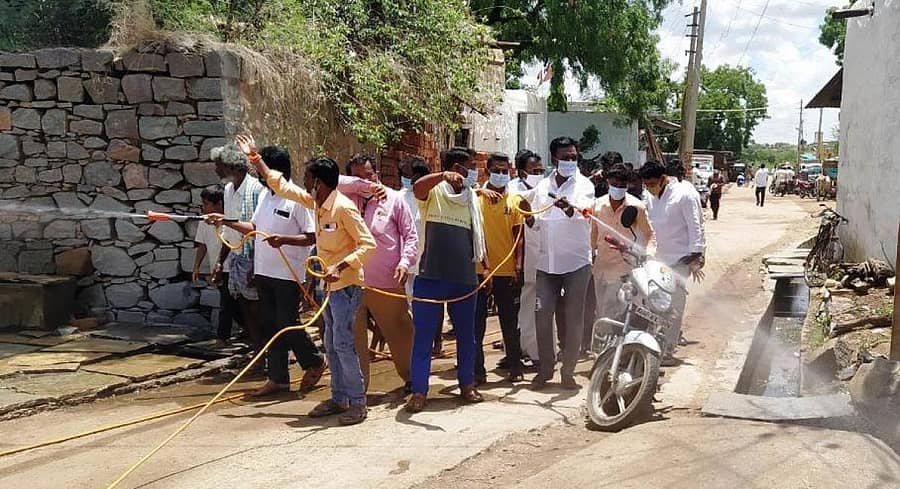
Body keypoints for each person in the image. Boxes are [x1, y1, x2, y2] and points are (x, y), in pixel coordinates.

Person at [244, 137, 376, 426]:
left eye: (307, 178)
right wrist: (256, 159)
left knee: (343, 344)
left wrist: (341, 266)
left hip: (346, 285)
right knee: (330, 343)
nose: (303, 183)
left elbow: (368, 244)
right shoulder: (316, 203)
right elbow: (282, 186)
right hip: (329, 286)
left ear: (318, 182)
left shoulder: (343, 208)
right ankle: (339, 397)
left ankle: (358, 402)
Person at [207, 146, 326, 397]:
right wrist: (225, 221)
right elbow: (253, 227)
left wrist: (282, 239)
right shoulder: (266, 196)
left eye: (263, 170)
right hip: (263, 271)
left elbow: (311, 237)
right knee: (269, 325)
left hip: (288, 273)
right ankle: (278, 379)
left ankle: (314, 361)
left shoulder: (297, 199)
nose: (259, 176)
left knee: (286, 323)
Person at [405, 147, 487, 412]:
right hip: (430, 275)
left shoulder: (472, 198)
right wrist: (442, 175)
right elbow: (417, 188)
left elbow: (478, 237)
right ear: (455, 167)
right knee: (423, 338)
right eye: (470, 166)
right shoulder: (434, 192)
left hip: (464, 277)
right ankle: (419, 391)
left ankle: (467, 384)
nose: (474, 171)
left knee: (467, 336)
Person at [345, 154, 418, 391]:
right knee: (353, 338)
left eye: (368, 176)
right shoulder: (344, 198)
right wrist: (358, 186)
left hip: (386, 278)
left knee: (400, 331)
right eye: (357, 178)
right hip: (351, 279)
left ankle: (413, 379)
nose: (365, 181)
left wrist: (405, 262)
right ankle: (357, 390)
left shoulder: (394, 199)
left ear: (376, 173)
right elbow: (330, 182)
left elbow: (410, 236)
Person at [530, 136, 595, 390]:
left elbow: (584, 214)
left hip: (576, 262)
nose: (570, 161)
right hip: (547, 263)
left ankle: (568, 371)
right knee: (542, 314)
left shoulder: (585, 185)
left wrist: (569, 209)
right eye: (565, 157)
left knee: (573, 317)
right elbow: (535, 221)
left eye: (573, 157)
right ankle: (546, 368)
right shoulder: (542, 186)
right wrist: (528, 218)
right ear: (553, 158)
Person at [640, 160, 706, 363]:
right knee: (654, 302)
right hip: (656, 258)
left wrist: (697, 253)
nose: (650, 187)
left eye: (653, 183)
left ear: (663, 178)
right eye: (646, 184)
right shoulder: (649, 198)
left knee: (674, 303)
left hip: (680, 258)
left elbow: (695, 225)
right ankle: (654, 342)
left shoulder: (684, 194)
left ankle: (668, 348)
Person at [475, 152, 531, 384]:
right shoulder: (475, 199)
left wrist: (518, 267)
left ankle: (515, 365)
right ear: (487, 171)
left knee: (509, 322)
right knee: (476, 325)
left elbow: (519, 237)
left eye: (505, 170)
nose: (501, 174)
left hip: (507, 272)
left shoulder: (515, 201)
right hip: (479, 271)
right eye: (496, 170)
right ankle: (477, 372)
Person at [590, 163, 656, 344]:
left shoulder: (637, 207)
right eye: (615, 183)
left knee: (620, 312)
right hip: (601, 268)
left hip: (625, 269)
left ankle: (618, 351)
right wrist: (590, 256)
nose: (618, 187)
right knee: (603, 311)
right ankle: (604, 351)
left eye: (622, 185)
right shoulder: (597, 205)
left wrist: (649, 256)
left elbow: (650, 235)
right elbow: (593, 235)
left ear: (627, 185)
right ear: (608, 182)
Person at [210, 143, 264, 350]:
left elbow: (258, 230)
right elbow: (230, 230)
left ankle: (265, 356)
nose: (216, 169)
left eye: (219, 165)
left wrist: (256, 267)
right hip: (235, 257)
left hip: (252, 260)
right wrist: (219, 262)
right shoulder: (228, 190)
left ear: (232, 167)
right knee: (244, 310)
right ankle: (258, 353)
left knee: (257, 311)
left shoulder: (256, 190)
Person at [399, 156, 445, 356]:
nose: (406, 180)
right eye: (404, 176)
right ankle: (414, 341)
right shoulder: (399, 197)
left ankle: (437, 340)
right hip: (407, 259)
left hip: (430, 258)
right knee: (409, 303)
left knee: (433, 302)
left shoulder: (435, 195)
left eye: (409, 176)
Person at [508, 150, 544, 366]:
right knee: (514, 309)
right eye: (534, 171)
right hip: (515, 260)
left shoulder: (545, 190)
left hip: (539, 258)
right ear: (522, 172)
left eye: (541, 170)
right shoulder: (512, 191)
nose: (539, 174)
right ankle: (514, 351)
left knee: (535, 307)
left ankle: (535, 352)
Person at [192, 187, 234, 348]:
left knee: (227, 304)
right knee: (230, 303)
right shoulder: (205, 221)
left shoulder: (229, 221)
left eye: (206, 204)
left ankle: (222, 338)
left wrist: (220, 264)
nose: (203, 207)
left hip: (230, 267)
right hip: (216, 268)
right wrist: (196, 266)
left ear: (219, 204)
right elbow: (202, 245)